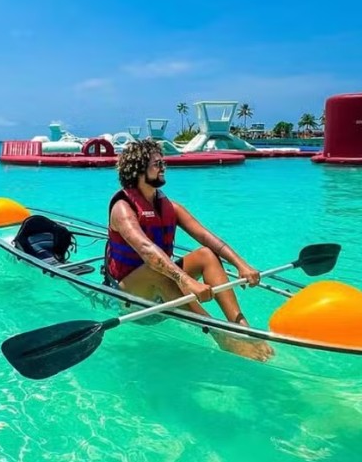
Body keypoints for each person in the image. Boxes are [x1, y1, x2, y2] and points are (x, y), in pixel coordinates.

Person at [105, 139, 274, 361]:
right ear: (138, 170)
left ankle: (244, 330)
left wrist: (241, 264)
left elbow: (206, 236)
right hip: (130, 296)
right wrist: (186, 280)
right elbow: (146, 250)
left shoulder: (170, 207)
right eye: (157, 164)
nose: (163, 167)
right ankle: (221, 336)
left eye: (162, 162)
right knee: (155, 267)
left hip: (164, 289)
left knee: (206, 254)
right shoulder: (122, 208)